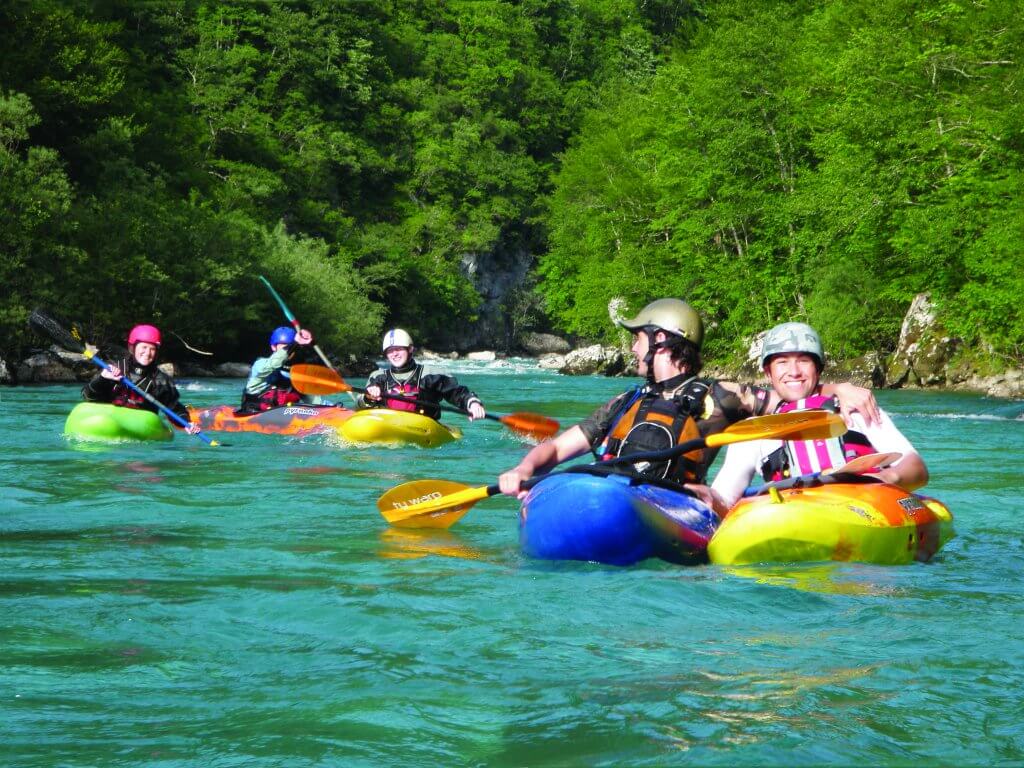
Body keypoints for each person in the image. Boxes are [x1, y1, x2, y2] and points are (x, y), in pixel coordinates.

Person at [498, 299, 879, 498]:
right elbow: (556, 450)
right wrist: (524, 470)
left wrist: (839, 389)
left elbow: (794, 395)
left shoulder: (724, 396)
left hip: (672, 502)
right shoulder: (623, 403)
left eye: (638, 337)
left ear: (660, 340)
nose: (632, 347)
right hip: (609, 489)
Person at [707, 322, 928, 514]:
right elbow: (723, 498)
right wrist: (704, 498)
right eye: (782, 362)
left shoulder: (857, 410)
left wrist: (888, 478)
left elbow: (917, 468)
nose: (794, 371)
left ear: (818, 369)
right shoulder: (753, 433)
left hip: (865, 506)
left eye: (803, 361)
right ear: (768, 372)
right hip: (794, 517)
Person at [81, 323, 198, 432]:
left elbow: (175, 409)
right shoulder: (113, 369)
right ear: (133, 348)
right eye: (144, 347)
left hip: (140, 427)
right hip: (108, 420)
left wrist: (186, 423)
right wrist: (102, 379)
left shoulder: (161, 381)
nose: (148, 353)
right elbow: (88, 396)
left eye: (152, 349)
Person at [359, 328, 486, 421]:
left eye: (399, 349)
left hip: (424, 428)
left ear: (410, 349)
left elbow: (457, 393)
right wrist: (368, 396)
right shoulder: (378, 376)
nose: (394, 354)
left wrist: (472, 403)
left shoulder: (431, 374)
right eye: (390, 351)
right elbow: (360, 403)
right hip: (387, 425)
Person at [238, 326, 320, 414]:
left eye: (293, 348)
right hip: (253, 413)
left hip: (285, 417)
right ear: (273, 347)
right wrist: (293, 344)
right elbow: (274, 363)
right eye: (285, 346)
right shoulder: (260, 364)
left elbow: (316, 404)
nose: (290, 351)